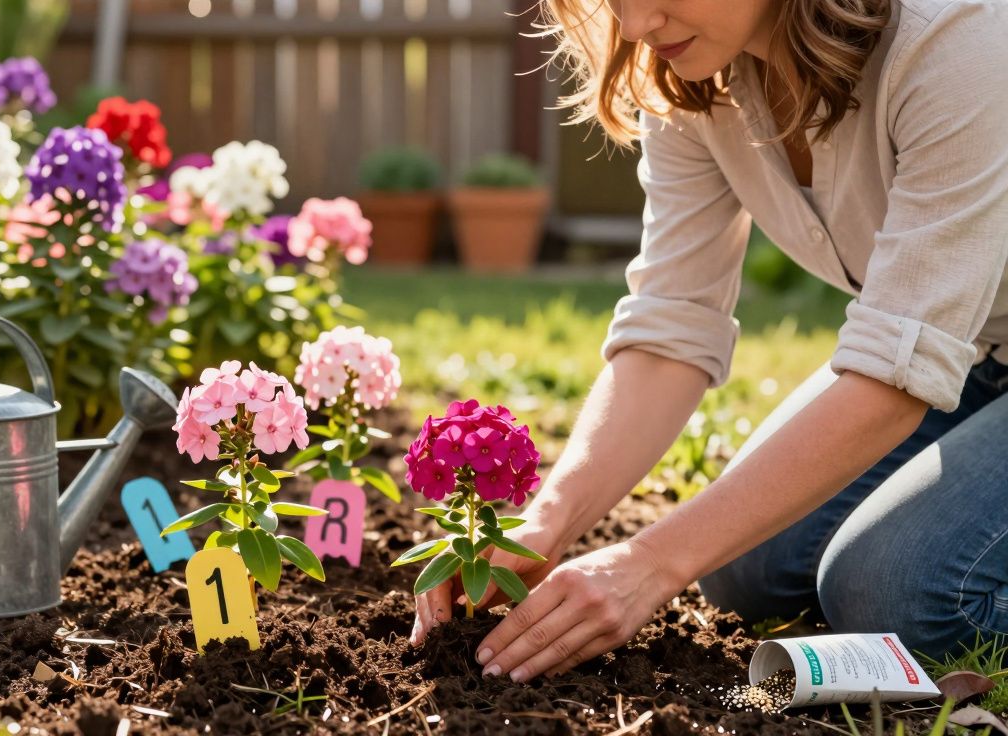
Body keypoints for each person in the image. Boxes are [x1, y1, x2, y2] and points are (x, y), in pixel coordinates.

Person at [410, 0, 1008, 684]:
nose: (633, 26)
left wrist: (647, 563)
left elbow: (894, 380)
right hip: (973, 352)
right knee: (743, 563)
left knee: (903, 591)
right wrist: (548, 521)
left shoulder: (956, 38)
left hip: (944, 359)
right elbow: (672, 324)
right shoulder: (699, 73)